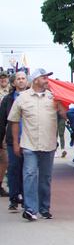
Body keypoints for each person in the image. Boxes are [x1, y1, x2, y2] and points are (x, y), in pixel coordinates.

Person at [8, 68, 65, 221]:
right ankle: (30, 209)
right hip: (29, 144)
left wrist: (63, 103)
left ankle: (44, 208)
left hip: (48, 144)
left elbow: (64, 115)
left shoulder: (54, 97)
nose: (47, 80)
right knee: (30, 175)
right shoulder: (22, 98)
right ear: (35, 80)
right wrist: (15, 142)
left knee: (45, 178)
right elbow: (13, 120)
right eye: (44, 77)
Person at [0, 70, 29, 209]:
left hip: (30, 140)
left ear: (27, 81)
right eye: (19, 78)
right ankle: (13, 198)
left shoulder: (32, 98)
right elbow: (2, 121)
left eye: (24, 78)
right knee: (13, 168)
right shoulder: (8, 99)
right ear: (14, 82)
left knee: (28, 169)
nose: (21, 80)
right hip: (13, 140)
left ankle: (25, 197)